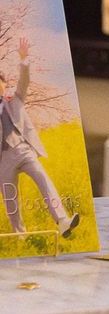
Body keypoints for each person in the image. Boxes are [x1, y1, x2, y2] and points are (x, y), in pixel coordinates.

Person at [0, 38, 79, 236]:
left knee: (44, 179)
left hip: (23, 150)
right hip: (3, 159)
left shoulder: (15, 98)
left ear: (4, 84)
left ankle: (62, 221)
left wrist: (24, 59)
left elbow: (24, 81)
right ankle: (20, 236)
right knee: (10, 200)